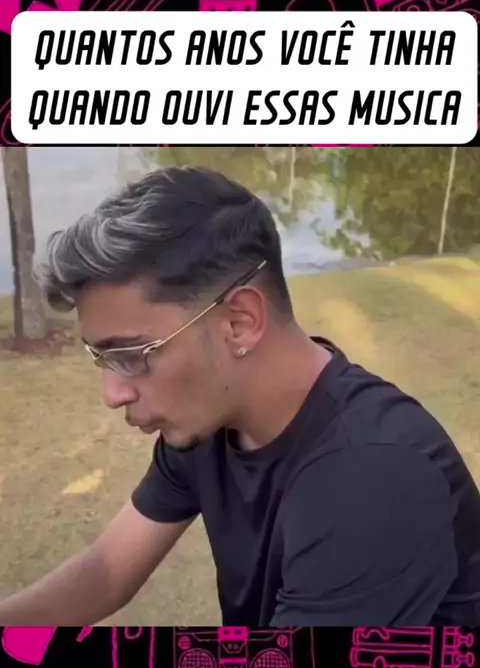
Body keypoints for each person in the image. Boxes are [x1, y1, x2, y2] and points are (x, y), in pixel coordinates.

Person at [1, 165, 480, 627]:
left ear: (240, 322)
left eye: (131, 354)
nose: (113, 394)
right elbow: (104, 575)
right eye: (102, 357)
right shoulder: (206, 421)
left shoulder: (377, 478)